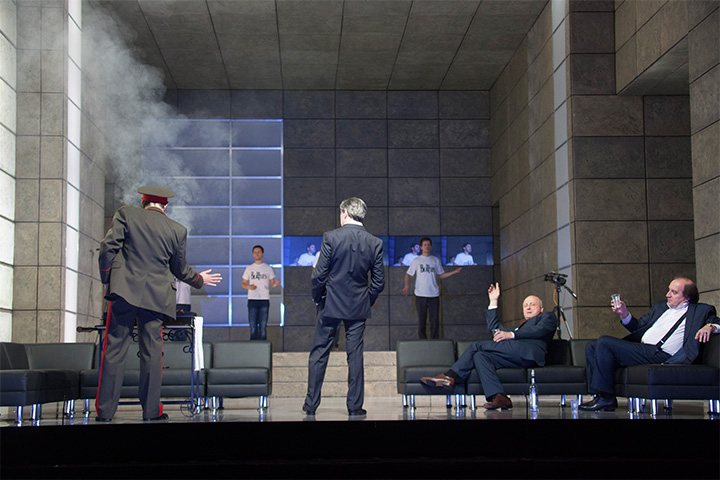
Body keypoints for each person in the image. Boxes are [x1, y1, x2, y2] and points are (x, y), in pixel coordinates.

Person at [96, 185, 222, 422]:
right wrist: (199, 279)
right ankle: (151, 411)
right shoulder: (177, 230)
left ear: (143, 203)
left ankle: (105, 412)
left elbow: (107, 247)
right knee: (153, 354)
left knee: (114, 349)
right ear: (165, 206)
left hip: (124, 291)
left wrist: (107, 278)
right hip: (156, 297)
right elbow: (179, 269)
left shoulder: (126, 214)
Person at [580, 277, 720, 411]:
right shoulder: (660, 308)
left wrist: (710, 327)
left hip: (661, 354)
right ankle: (598, 395)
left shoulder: (700, 310)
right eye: (669, 290)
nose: (668, 294)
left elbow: (716, 322)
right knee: (593, 345)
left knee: (604, 342)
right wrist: (624, 314)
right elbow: (638, 326)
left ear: (687, 297)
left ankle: (606, 398)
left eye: (674, 292)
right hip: (643, 349)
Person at [303, 197, 385, 416]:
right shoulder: (375, 242)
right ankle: (355, 406)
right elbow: (379, 283)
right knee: (355, 355)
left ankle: (311, 405)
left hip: (330, 303)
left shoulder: (331, 237)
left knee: (320, 352)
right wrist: (366, 300)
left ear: (345, 213)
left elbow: (319, 275)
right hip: (358, 306)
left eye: (341, 213)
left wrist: (318, 298)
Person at [421, 283, 557, 409]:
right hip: (515, 355)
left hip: (528, 354)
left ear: (541, 308)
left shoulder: (548, 317)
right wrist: (493, 301)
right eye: (525, 305)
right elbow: (496, 329)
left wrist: (511, 335)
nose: (528, 307)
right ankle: (499, 397)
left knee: (476, 346)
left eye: (532, 304)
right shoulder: (518, 327)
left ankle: (450, 376)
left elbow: (538, 331)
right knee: (480, 356)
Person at [401, 237, 461, 339]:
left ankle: (435, 340)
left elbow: (441, 275)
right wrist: (406, 286)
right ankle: (422, 341)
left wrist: (454, 272)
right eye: (425, 245)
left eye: (428, 245)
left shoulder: (435, 260)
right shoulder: (416, 261)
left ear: (431, 246)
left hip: (434, 294)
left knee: (435, 320)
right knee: (422, 321)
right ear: (421, 247)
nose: (427, 247)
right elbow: (408, 274)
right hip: (420, 294)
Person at [241, 245, 281, 341]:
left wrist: (276, 283)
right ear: (253, 254)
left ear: (262, 254)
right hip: (252, 299)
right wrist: (248, 286)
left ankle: (263, 348)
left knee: (263, 327)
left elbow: (272, 283)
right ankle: (253, 347)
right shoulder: (249, 268)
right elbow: (243, 283)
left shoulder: (268, 268)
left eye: (258, 252)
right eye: (255, 252)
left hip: (264, 299)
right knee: (253, 327)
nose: (257, 254)